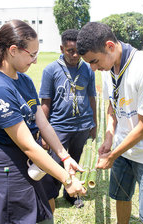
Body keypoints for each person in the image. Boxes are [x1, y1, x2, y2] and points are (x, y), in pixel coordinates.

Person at [0, 20, 86, 224]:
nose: (34, 61)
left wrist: (65, 157)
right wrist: (66, 179)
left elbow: (44, 124)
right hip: (13, 170)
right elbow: (28, 145)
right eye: (31, 55)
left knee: (44, 217)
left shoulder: (24, 81)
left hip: (35, 165)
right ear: (13, 50)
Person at [76, 22, 143, 224]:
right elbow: (112, 106)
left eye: (94, 61)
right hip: (122, 147)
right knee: (121, 196)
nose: (93, 69)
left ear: (110, 46)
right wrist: (109, 136)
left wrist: (112, 155)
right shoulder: (108, 69)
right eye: (89, 63)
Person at [39, 29, 97, 210]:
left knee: (76, 162)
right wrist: (43, 131)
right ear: (61, 48)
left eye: (78, 51)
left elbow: (92, 97)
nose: (74, 55)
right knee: (56, 162)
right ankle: (50, 195)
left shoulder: (87, 68)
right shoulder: (51, 70)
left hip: (82, 126)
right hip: (59, 126)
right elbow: (45, 102)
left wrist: (94, 124)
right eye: (69, 50)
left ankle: (71, 194)